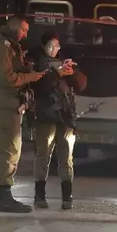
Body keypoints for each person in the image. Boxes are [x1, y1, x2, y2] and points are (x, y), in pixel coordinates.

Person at [0, 17, 45, 213]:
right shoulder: (3, 46)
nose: (26, 34)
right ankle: (3, 193)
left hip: (11, 100)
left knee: (11, 147)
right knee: (10, 148)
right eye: (25, 30)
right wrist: (30, 77)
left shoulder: (10, 45)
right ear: (15, 28)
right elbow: (7, 77)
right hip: (6, 99)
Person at [27, 32, 87, 210]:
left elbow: (81, 84)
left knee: (66, 157)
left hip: (65, 117)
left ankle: (67, 197)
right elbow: (39, 86)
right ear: (44, 46)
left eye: (57, 46)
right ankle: (39, 195)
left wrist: (72, 72)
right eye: (51, 46)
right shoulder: (36, 63)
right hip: (45, 117)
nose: (54, 50)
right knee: (43, 156)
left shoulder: (63, 62)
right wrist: (56, 73)